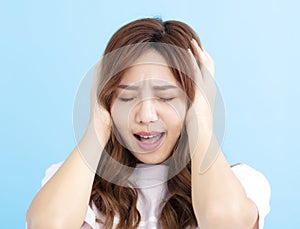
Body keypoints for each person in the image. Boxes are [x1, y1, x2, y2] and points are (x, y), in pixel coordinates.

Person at [26, 18, 271, 229]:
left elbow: (224, 223)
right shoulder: (74, 182)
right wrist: (98, 125)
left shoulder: (242, 182)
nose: (146, 116)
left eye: (165, 97)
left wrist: (202, 120)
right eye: (127, 97)